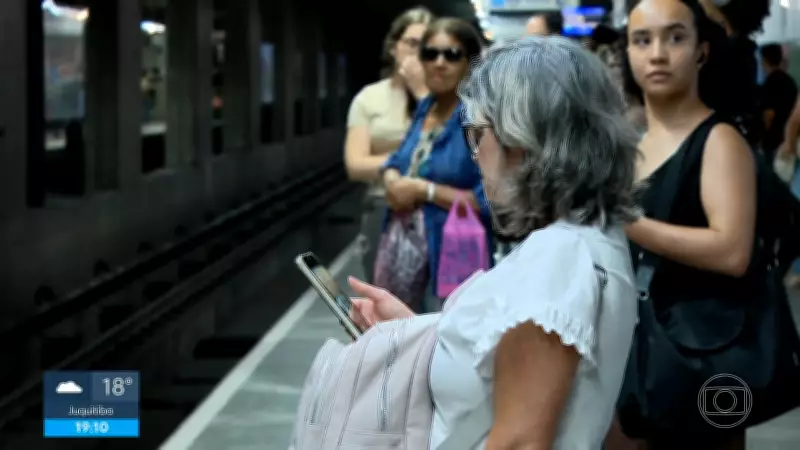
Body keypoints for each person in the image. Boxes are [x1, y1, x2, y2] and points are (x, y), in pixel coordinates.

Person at [349, 35, 640, 449]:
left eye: (476, 134)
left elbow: (519, 441)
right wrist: (417, 331)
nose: (474, 154)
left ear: (519, 139)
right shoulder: (589, 239)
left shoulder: (558, 259)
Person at [612, 0, 757, 448]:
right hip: (645, 356)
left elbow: (731, 251)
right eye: (642, 40)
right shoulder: (638, 143)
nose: (657, 53)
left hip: (700, 358)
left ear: (701, 51)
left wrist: (625, 220)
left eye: (675, 37)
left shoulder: (719, 139)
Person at [378, 18, 491, 313]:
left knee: (441, 346)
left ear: (470, 63)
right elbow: (398, 159)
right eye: (430, 54)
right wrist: (391, 178)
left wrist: (423, 190)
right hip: (404, 254)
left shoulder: (478, 118)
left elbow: (490, 199)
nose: (439, 63)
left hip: (453, 256)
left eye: (452, 55)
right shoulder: (426, 107)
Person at [343, 7, 433, 283]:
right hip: (383, 204)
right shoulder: (369, 99)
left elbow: (453, 149)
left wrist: (422, 92)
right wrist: (406, 161)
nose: (417, 53)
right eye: (411, 44)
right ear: (394, 48)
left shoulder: (444, 99)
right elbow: (356, 164)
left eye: (427, 47)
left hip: (433, 207)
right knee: (383, 296)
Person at [759, 43, 798, 160]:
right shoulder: (790, 81)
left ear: (764, 61)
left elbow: (769, 114)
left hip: (774, 139)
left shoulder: (770, 82)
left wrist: (763, 137)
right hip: (789, 138)